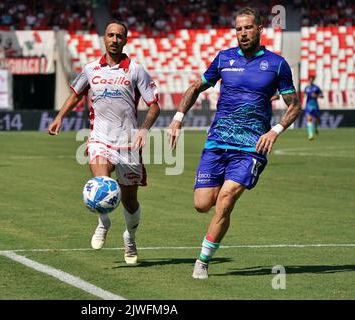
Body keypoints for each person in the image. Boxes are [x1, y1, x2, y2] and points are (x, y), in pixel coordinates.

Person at [168, 7, 301, 279]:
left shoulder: (277, 65)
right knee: (202, 203)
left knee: (225, 200)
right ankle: (217, 218)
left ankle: (202, 261)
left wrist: (274, 130)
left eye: (248, 27)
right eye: (239, 28)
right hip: (217, 142)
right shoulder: (224, 59)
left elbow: (294, 106)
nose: (243, 33)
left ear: (260, 29)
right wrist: (178, 118)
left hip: (251, 147)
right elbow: (195, 87)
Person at [48, 21, 160, 264]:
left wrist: (143, 130)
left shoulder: (136, 70)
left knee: (130, 202)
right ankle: (103, 221)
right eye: (110, 35)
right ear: (104, 38)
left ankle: (130, 237)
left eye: (119, 36)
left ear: (126, 40)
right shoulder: (90, 70)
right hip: (100, 139)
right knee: (102, 184)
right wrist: (59, 117)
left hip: (128, 144)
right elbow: (76, 94)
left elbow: (154, 107)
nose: (115, 39)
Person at [303, 75, 323, 140]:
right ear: (308, 80)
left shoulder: (316, 88)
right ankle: (310, 135)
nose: (311, 80)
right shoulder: (306, 88)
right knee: (309, 119)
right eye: (310, 79)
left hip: (315, 105)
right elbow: (304, 95)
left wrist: (316, 95)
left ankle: (316, 127)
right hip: (308, 105)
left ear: (313, 80)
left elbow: (322, 95)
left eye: (312, 79)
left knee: (315, 120)